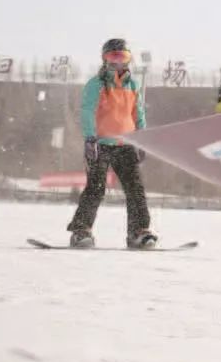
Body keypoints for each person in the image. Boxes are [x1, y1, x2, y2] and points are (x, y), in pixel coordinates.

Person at [64, 38, 156, 249]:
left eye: (122, 57)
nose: (118, 63)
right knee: (95, 188)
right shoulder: (96, 84)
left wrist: (142, 140)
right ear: (104, 60)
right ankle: (81, 230)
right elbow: (87, 111)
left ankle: (138, 232)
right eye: (113, 57)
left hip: (125, 145)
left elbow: (138, 113)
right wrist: (90, 138)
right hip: (100, 144)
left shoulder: (133, 85)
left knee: (135, 189)